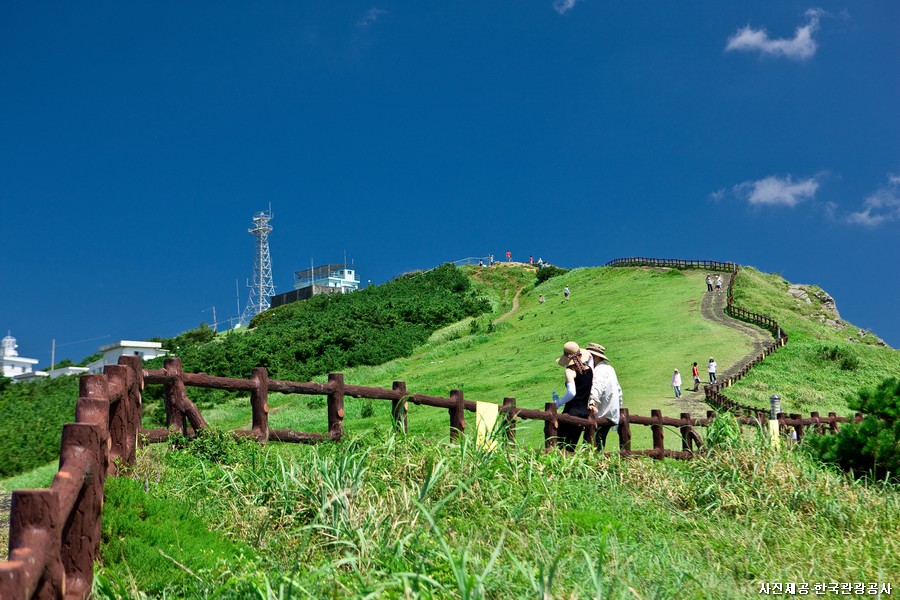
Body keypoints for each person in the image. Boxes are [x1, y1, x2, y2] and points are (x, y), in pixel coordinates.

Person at [553, 342, 593, 451]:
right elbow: (591, 358)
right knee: (572, 445)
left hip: (571, 412)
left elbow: (572, 393)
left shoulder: (570, 371)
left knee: (559, 445)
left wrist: (558, 403)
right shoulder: (589, 370)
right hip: (584, 413)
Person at [585, 343, 621, 451]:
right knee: (600, 441)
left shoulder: (598, 370)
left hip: (601, 413)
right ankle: (598, 463)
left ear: (593, 357)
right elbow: (619, 390)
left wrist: (592, 403)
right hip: (611, 413)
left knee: (592, 441)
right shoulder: (610, 369)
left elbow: (596, 387)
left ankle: (594, 463)